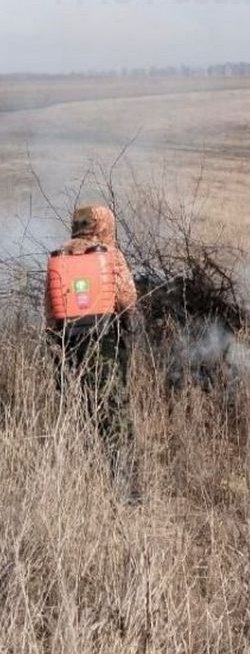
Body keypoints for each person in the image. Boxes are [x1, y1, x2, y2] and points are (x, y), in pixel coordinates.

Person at [44, 204, 141, 500]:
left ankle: (80, 481)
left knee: (78, 412)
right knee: (114, 416)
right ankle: (126, 489)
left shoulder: (59, 257)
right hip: (103, 346)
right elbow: (127, 299)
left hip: (66, 348)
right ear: (104, 225)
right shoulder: (108, 255)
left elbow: (49, 312)